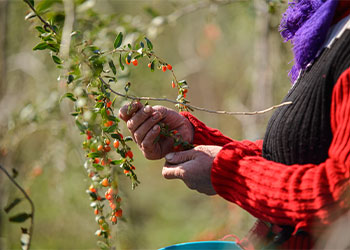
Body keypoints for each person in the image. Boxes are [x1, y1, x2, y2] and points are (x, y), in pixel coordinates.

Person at [119, 1, 350, 249]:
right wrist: (196, 140)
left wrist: (229, 173)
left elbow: (339, 195)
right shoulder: (327, 27)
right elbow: (299, 155)